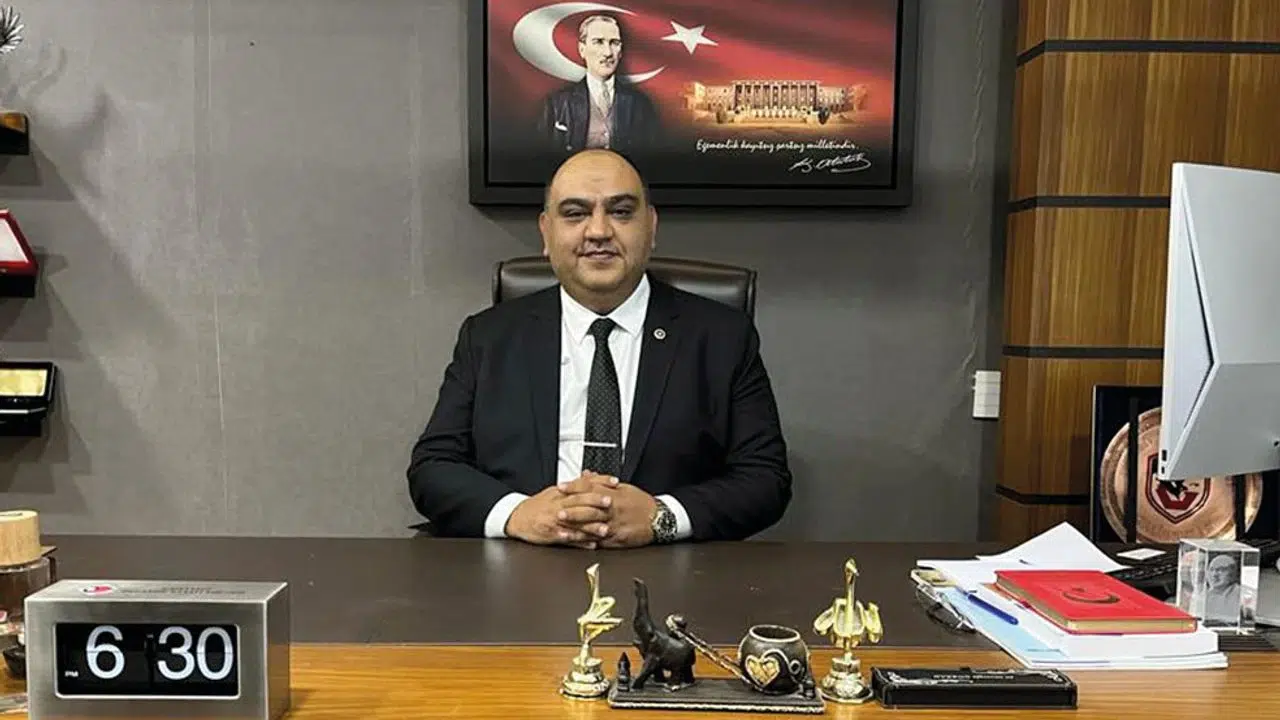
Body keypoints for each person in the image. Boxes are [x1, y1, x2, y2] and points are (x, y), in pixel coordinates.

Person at [407, 149, 791, 547]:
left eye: (621, 212)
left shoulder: (722, 337)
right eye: (575, 214)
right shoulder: (488, 337)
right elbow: (433, 467)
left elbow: (765, 479)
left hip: (665, 568)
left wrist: (661, 517)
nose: (598, 231)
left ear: (651, 226)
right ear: (546, 232)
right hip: (523, 561)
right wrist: (519, 514)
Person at [538, 15, 661, 154]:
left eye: (614, 43)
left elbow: (651, 159)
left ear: (620, 51)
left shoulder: (640, 104)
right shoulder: (556, 105)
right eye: (598, 42)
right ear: (582, 49)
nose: (608, 53)